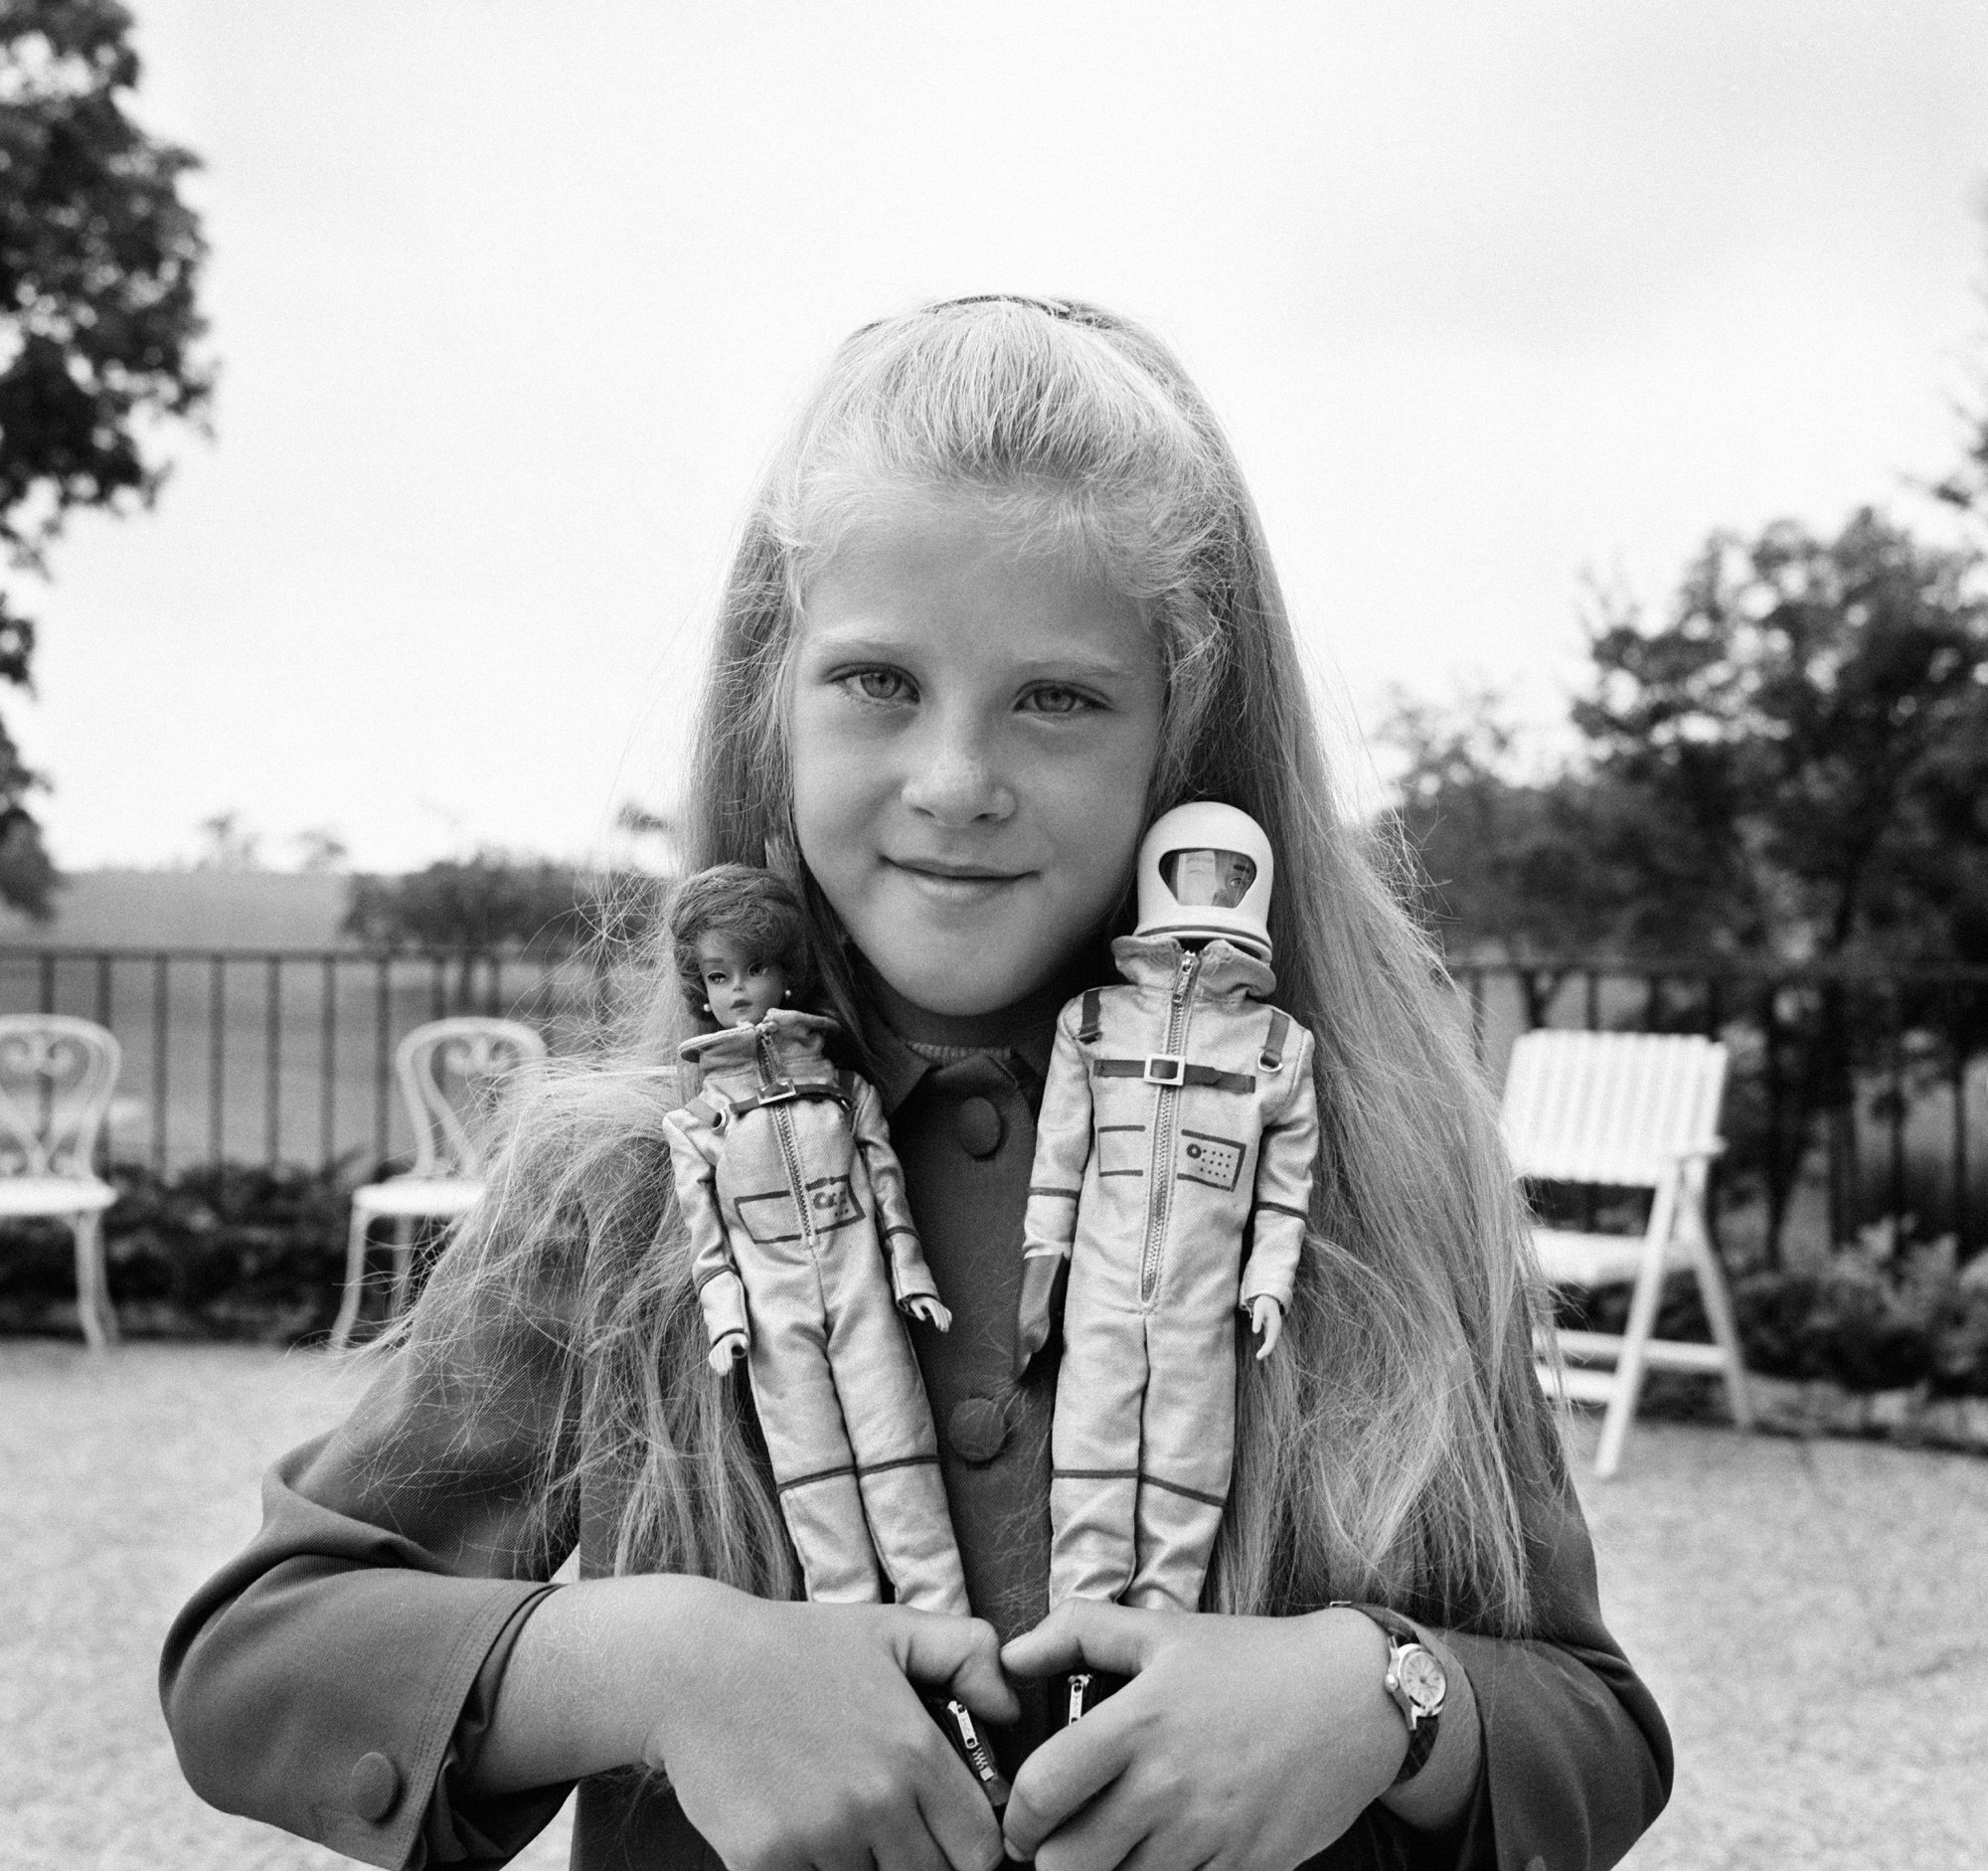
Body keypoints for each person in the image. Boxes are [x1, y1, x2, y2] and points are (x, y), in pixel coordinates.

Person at [161, 295, 1671, 1871]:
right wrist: (673, 1665)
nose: (956, 781)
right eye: (880, 681)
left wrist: (1380, 1696)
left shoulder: (1381, 1164)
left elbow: (1594, 1723)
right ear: (776, 696)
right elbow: (262, 1656)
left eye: (1059, 696)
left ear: (1184, 746)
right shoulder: (624, 1179)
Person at [1015, 802, 1321, 1619]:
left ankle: (1158, 1628)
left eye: (1229, 875)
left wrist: (1270, 1282)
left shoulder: (1278, 1048)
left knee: (1190, 1448)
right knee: (1089, 1437)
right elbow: (1059, 1160)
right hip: (1101, 1287)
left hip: (1202, 1293)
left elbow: (1285, 1190)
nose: (1210, 893)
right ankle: (1079, 1616)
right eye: (1194, 870)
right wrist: (1042, 1267)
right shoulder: (1091, 1022)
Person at [662, 862, 968, 1616]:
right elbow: (709, 1241)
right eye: (720, 973)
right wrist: (726, 1320)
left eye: (757, 967)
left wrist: (913, 1276)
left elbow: (886, 1189)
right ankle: (851, 1631)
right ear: (700, 989)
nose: (740, 989)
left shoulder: (844, 1090)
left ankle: (943, 1620)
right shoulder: (698, 1123)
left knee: (900, 1455)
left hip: (863, 1294)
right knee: (815, 1476)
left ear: (788, 976)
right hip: (773, 1321)